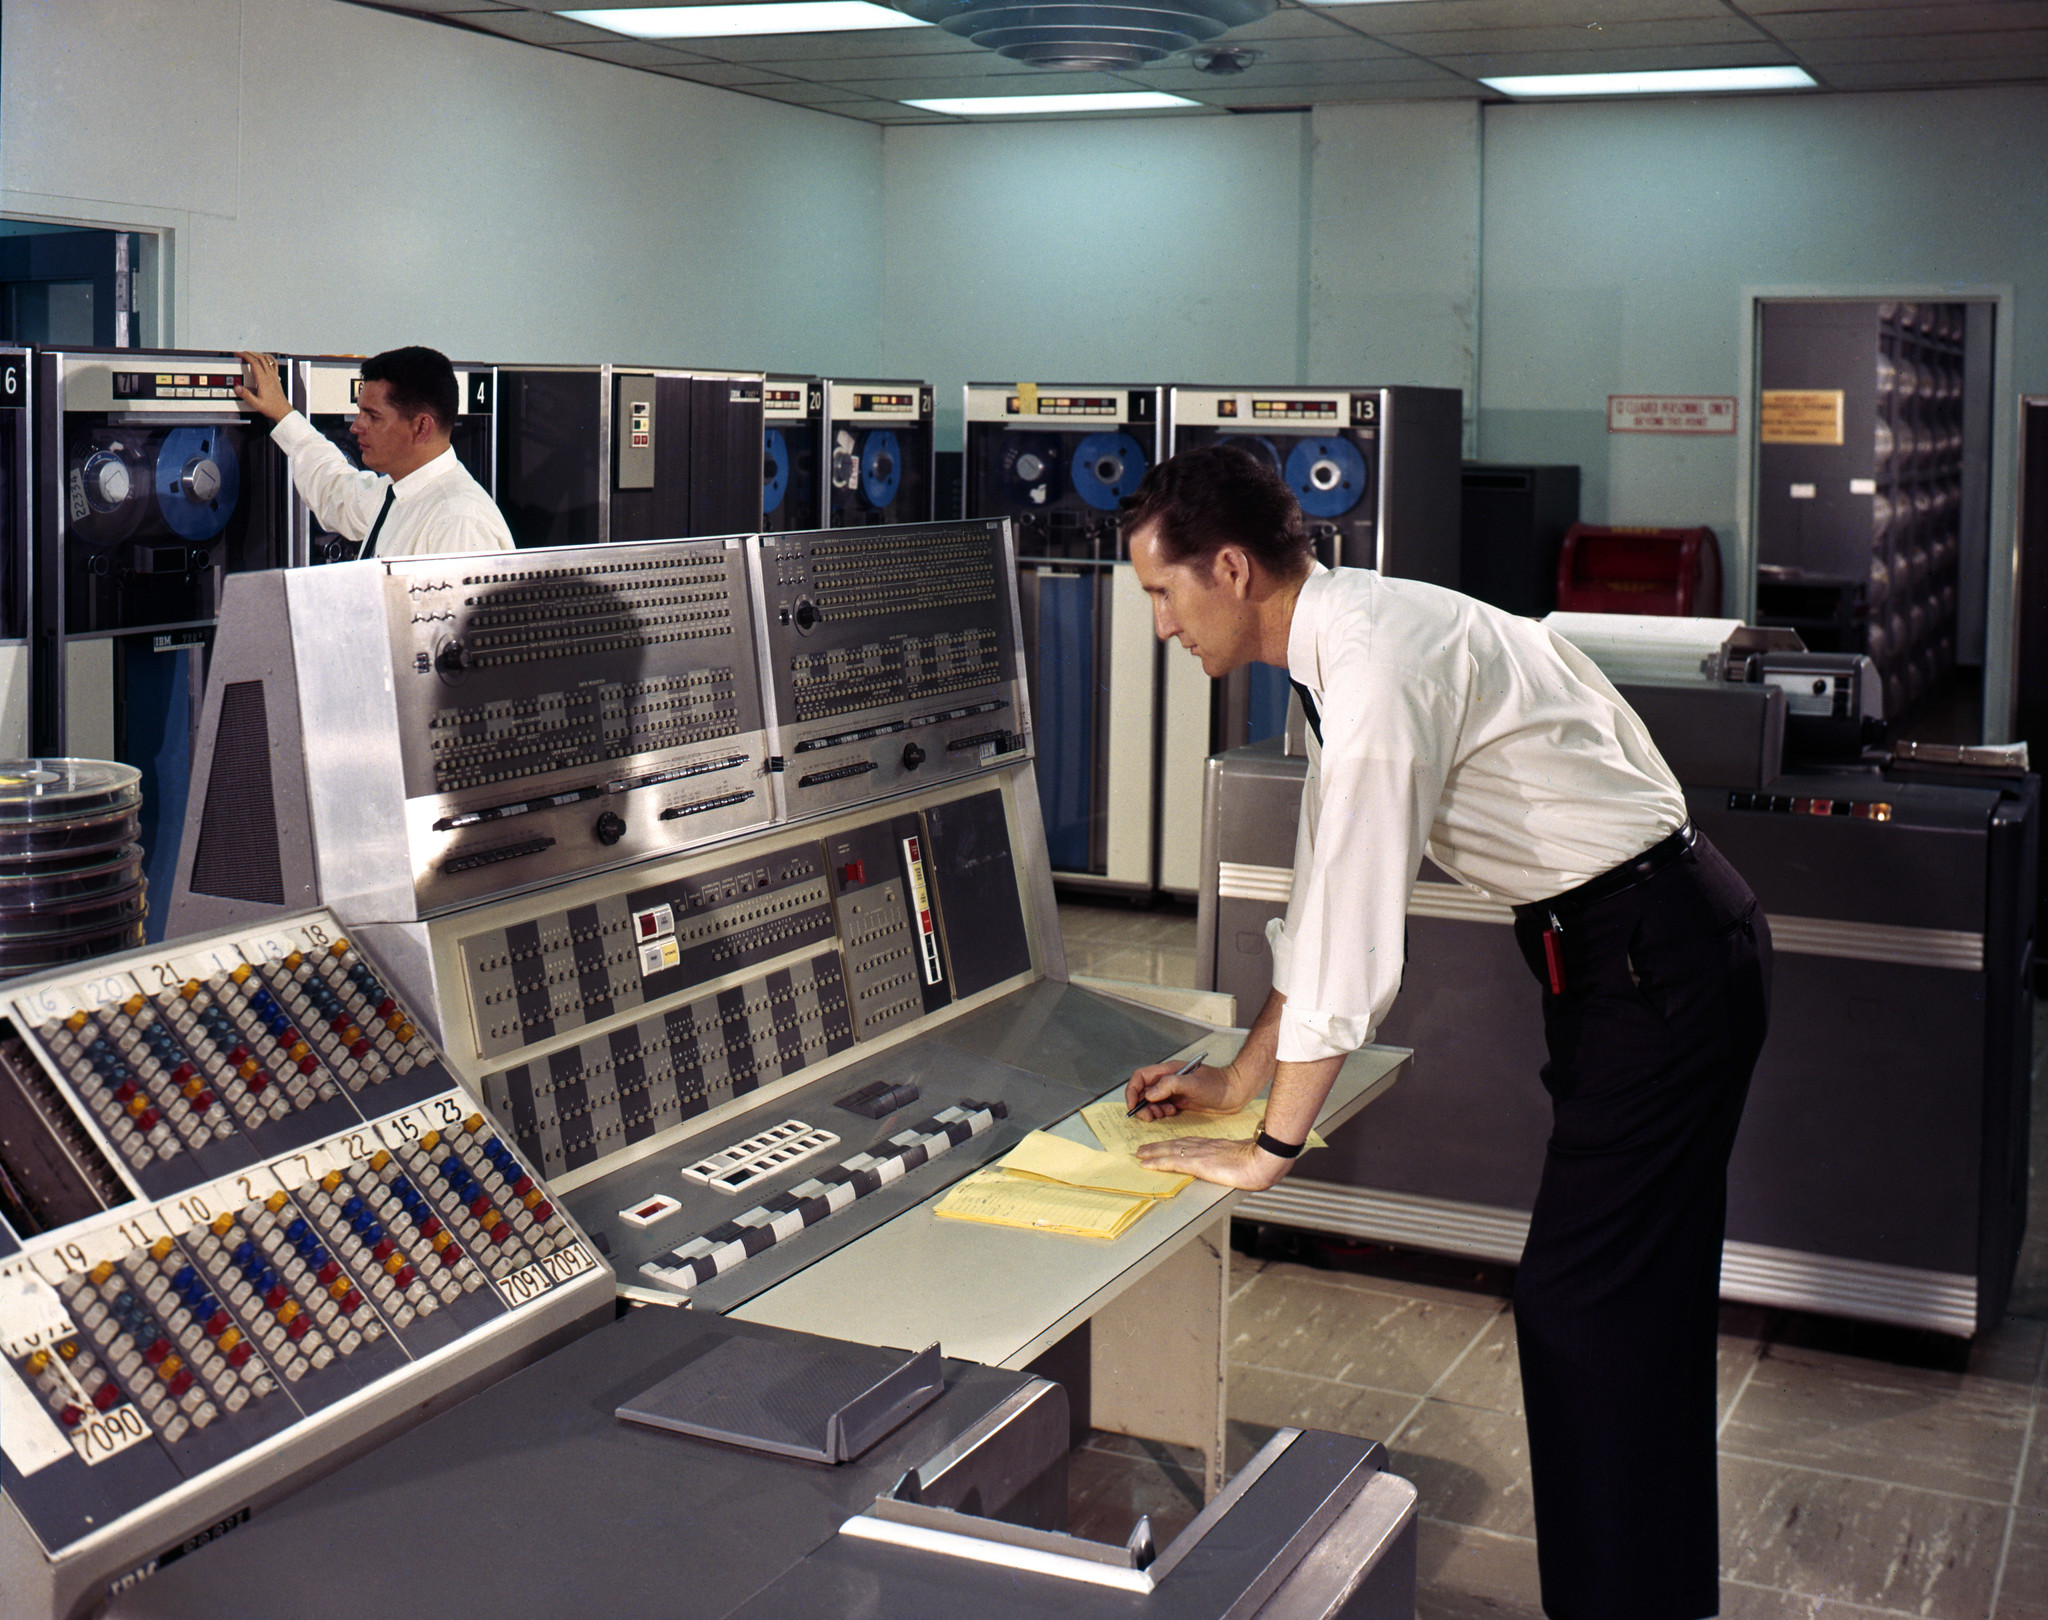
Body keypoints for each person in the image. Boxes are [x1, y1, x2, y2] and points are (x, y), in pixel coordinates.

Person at [1120, 445, 1769, 1620]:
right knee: (1630, 1314)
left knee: (1584, 1318)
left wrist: (1272, 1148)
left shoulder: (1372, 668)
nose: (1161, 627)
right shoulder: (1346, 645)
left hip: (1651, 963)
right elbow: (1323, 892)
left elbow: (1360, 933)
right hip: (1637, 959)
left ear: (1228, 568)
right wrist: (1239, 1077)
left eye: (1163, 595)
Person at [234, 347, 514, 557]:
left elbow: (456, 633)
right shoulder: (396, 492)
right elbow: (336, 490)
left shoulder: (459, 520)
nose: (356, 427)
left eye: (372, 416)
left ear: (421, 427)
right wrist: (283, 413)